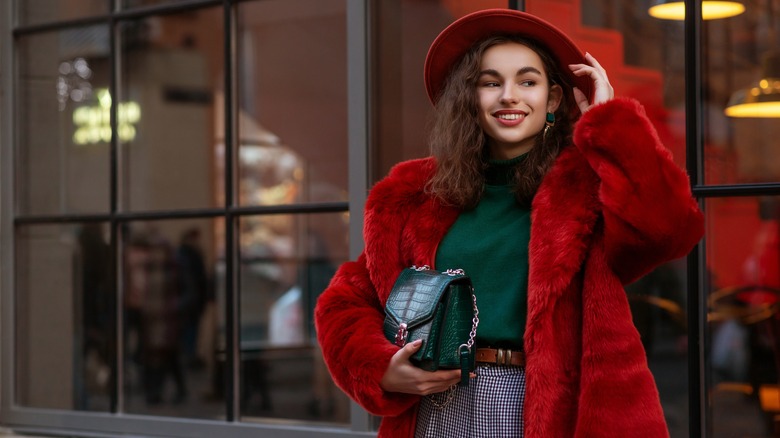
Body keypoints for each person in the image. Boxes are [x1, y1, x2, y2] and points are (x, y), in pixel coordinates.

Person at [314, 8, 704, 438]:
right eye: (490, 82)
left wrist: (610, 122)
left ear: (553, 99)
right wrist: (381, 368)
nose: (509, 96)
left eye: (527, 81)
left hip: (547, 405)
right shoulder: (416, 193)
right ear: (470, 98)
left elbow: (667, 231)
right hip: (436, 404)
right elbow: (345, 300)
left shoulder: (588, 186)